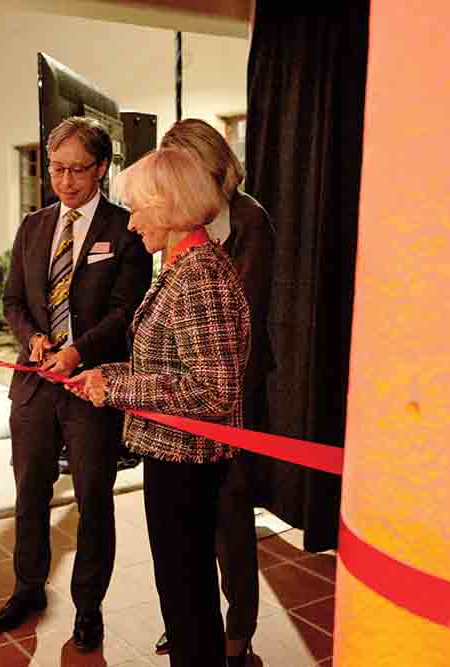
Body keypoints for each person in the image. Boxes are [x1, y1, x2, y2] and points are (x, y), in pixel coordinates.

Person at [68, 147, 250, 666]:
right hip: (175, 459)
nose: (130, 222)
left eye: (138, 208)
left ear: (169, 206)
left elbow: (213, 391)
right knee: (182, 595)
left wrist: (120, 389)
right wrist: (109, 375)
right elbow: (171, 369)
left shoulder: (199, 278)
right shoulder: (186, 267)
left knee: (187, 598)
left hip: (188, 462)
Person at [0, 117, 152, 651]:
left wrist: (77, 351)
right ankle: (28, 588)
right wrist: (35, 338)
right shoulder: (34, 226)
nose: (64, 181)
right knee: (30, 492)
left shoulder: (126, 229)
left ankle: (89, 608)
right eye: (56, 169)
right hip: (36, 386)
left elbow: (126, 310)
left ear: (102, 168)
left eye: (77, 170)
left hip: (90, 386)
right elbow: (13, 300)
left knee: (93, 499)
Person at [150, 119, 275, 663]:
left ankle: (237, 628)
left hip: (234, 392)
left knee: (231, 515)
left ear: (214, 165)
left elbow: (237, 321)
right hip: (187, 394)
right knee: (190, 525)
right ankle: (192, 623)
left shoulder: (250, 219)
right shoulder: (176, 219)